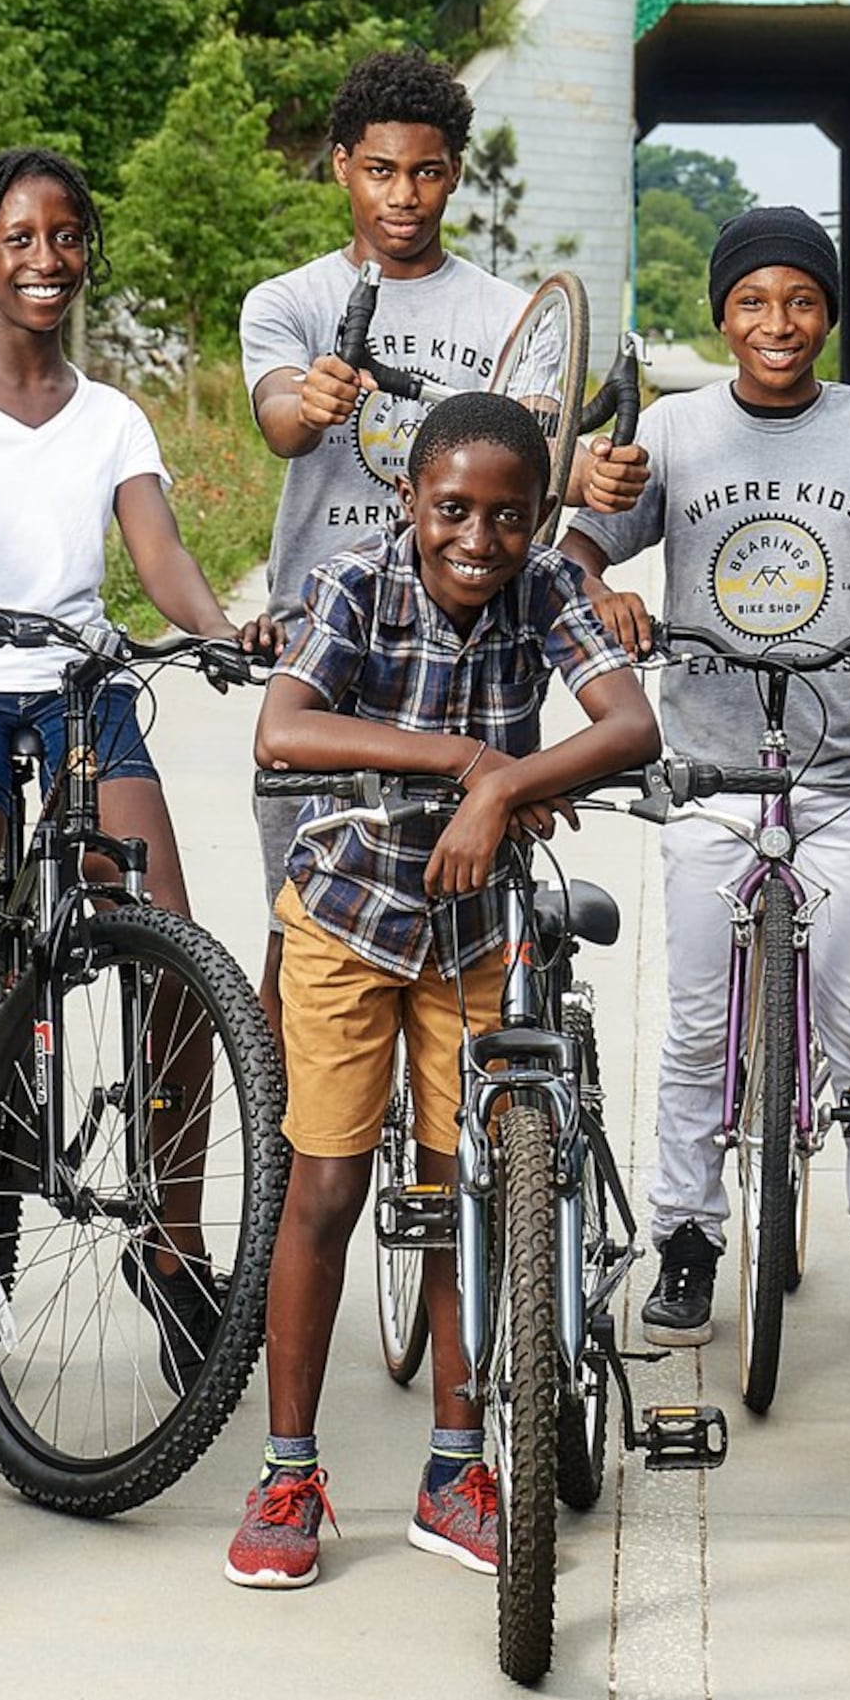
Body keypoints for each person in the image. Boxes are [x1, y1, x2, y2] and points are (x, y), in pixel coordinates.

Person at [562, 206, 850, 1349]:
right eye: (755, 303)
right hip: (710, 771)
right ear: (722, 315)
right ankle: (688, 1240)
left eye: (803, 301)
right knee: (697, 1032)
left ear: (830, 314)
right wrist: (606, 594)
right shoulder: (672, 434)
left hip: (844, 771)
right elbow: (574, 554)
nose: (780, 323)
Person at [227, 393, 659, 1591]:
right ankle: (290, 1469)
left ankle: (456, 1465)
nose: (480, 538)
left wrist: (506, 793)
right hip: (352, 919)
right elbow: (283, 729)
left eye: (510, 517)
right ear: (412, 501)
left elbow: (629, 723)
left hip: (475, 931)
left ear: (540, 517)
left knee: (459, 1187)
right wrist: (474, 766)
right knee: (326, 1182)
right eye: (454, 510)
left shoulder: (545, 591)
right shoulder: (361, 582)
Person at [0, 147, 251, 1434]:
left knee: (180, 955)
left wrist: (224, 631)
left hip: (79, 682)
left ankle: (170, 1241)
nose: (44, 258)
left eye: (66, 237)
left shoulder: (114, 414)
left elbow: (163, 556)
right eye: (19, 236)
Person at [239, 51, 632, 1012]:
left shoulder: (510, 316)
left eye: (425, 171)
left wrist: (590, 473)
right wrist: (315, 396)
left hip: (470, 654)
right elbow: (283, 417)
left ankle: (461, 1159)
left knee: (466, 954)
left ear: (453, 172)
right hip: (328, 650)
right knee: (309, 941)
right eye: (380, 170)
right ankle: (291, 1150)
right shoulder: (288, 303)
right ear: (341, 167)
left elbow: (537, 459)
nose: (403, 195)